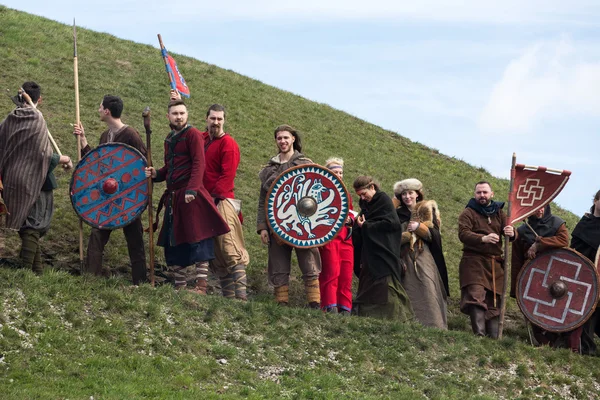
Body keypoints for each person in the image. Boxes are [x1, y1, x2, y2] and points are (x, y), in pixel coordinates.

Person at [145, 99, 229, 293]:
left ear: (187, 115)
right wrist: (156, 174)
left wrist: (192, 190)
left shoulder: (192, 134)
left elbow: (199, 163)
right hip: (175, 197)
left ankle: (201, 286)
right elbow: (170, 168)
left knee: (198, 238)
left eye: (182, 113)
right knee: (174, 240)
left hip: (192, 195)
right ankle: (180, 286)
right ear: (168, 116)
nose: (179, 117)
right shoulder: (169, 138)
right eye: (175, 114)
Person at [74, 95, 148, 285]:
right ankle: (92, 278)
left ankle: (140, 282)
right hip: (107, 199)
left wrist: (138, 195)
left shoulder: (130, 135)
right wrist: (82, 140)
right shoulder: (105, 136)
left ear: (107, 111)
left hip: (127, 196)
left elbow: (143, 166)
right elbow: (98, 165)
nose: (98, 110)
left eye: (100, 107)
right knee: (97, 235)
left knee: (135, 240)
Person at [0, 81, 73, 273]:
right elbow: (42, 155)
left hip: (12, 179)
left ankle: (37, 271)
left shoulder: (9, 119)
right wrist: (63, 158)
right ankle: (25, 272)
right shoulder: (37, 118)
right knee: (33, 225)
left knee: (28, 224)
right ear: (39, 99)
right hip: (34, 180)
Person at [256, 125, 321, 307]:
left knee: (309, 262)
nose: (282, 141)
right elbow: (263, 201)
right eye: (279, 138)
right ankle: (281, 303)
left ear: (293, 139)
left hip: (304, 222)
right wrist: (263, 227)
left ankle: (314, 303)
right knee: (278, 263)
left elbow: (319, 196)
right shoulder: (269, 169)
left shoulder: (305, 163)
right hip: (277, 224)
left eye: (286, 137)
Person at [510, 205, 581, 351]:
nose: (540, 210)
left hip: (557, 277)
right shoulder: (522, 231)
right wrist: (515, 287)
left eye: (543, 207)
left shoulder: (557, 223)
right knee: (537, 311)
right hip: (534, 277)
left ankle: (559, 338)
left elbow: (563, 240)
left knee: (557, 308)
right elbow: (516, 260)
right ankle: (545, 342)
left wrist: (539, 244)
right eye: (536, 208)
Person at [201, 103, 249, 300]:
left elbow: (227, 175)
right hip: (205, 201)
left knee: (230, 247)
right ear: (207, 119)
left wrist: (214, 200)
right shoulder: (203, 139)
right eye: (213, 118)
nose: (216, 122)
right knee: (217, 253)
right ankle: (229, 299)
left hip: (222, 201)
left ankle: (242, 297)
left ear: (224, 120)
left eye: (220, 119)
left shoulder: (228, 143)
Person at [458, 181, 515, 338]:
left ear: (492, 194)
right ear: (475, 194)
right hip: (474, 262)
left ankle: (494, 337)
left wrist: (512, 232)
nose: (482, 195)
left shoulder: (499, 213)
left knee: (494, 299)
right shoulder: (468, 213)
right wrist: (483, 238)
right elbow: (463, 234)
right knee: (476, 296)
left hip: (495, 263)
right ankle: (480, 335)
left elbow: (510, 232)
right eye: (479, 192)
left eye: (485, 192)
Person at [352, 176, 414, 321]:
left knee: (387, 286)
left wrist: (366, 226)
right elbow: (364, 221)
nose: (362, 197)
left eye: (364, 193)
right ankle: (367, 315)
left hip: (384, 252)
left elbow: (391, 224)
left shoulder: (383, 200)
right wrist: (356, 224)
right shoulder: (367, 205)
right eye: (359, 195)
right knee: (369, 284)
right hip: (370, 253)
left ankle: (396, 317)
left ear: (372, 187)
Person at [393, 178, 449, 329]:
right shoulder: (397, 215)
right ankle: (409, 324)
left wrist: (419, 228)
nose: (407, 197)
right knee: (408, 289)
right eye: (404, 194)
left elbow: (435, 236)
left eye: (410, 193)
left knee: (428, 287)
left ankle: (434, 324)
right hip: (405, 257)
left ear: (417, 194)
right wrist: (406, 235)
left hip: (424, 256)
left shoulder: (427, 211)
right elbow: (391, 238)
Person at [318, 157, 354, 314]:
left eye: (341, 172)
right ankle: (329, 305)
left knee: (346, 274)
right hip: (329, 238)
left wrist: (350, 219)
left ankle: (345, 308)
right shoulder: (320, 190)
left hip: (346, 238)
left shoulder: (346, 193)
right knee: (331, 272)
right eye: (335, 172)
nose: (339, 175)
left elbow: (352, 214)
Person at [571, 190, 600, 355]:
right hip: (583, 274)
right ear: (596, 200)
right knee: (586, 311)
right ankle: (585, 346)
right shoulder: (585, 222)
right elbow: (575, 247)